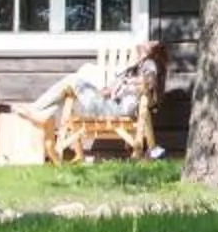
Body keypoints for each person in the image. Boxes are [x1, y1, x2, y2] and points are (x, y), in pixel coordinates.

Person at [22, 47, 160, 156]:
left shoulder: (148, 64)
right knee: (75, 80)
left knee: (72, 80)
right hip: (106, 103)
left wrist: (126, 83)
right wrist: (109, 89)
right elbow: (110, 89)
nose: (139, 48)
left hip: (114, 109)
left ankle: (37, 110)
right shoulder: (132, 68)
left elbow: (149, 81)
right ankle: (41, 114)